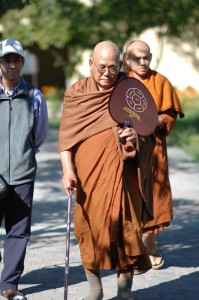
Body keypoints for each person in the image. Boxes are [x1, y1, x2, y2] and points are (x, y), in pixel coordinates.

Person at [58, 40, 156, 300]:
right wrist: (67, 171)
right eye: (101, 66)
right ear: (91, 64)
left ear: (120, 66)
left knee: (127, 232)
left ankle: (124, 294)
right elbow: (66, 139)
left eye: (112, 67)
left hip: (124, 181)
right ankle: (94, 288)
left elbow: (149, 132)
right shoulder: (76, 94)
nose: (106, 73)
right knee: (87, 229)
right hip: (88, 180)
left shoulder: (129, 91)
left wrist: (135, 137)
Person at [123, 40, 184, 270]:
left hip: (155, 150)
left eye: (146, 57)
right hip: (127, 151)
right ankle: (134, 248)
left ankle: (150, 243)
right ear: (127, 60)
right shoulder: (120, 82)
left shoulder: (160, 81)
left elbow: (170, 116)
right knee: (129, 198)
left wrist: (155, 120)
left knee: (156, 198)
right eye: (136, 58)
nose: (142, 62)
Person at [0, 38, 48, 300]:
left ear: (22, 62)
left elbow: (39, 136)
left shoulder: (34, 96)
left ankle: (9, 284)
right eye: (7, 59)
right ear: (0, 63)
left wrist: (23, 156)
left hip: (22, 175)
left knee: (18, 231)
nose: (12, 64)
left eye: (16, 59)